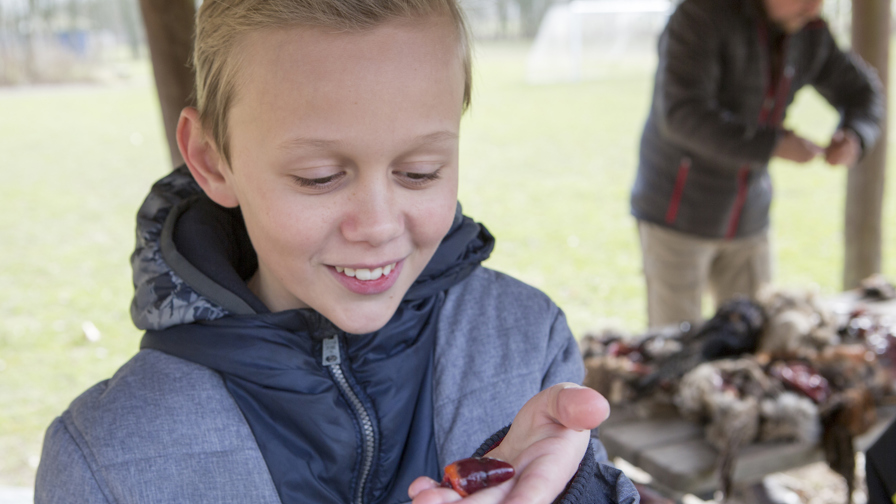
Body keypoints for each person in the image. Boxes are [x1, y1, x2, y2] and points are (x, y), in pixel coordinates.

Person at [34, 1, 639, 503]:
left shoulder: (527, 341)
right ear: (214, 161)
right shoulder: (107, 458)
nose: (377, 226)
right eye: (320, 177)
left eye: (420, 171)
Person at [630, 0, 883, 329]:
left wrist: (855, 135)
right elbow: (682, 114)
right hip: (677, 211)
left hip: (748, 215)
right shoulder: (700, 13)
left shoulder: (808, 30)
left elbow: (863, 91)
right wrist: (773, 144)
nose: (815, 6)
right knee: (675, 345)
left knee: (753, 341)